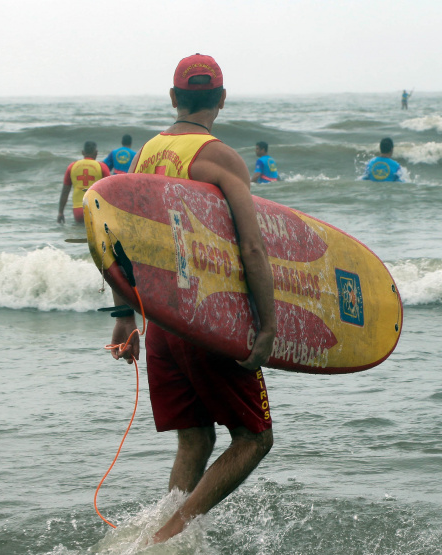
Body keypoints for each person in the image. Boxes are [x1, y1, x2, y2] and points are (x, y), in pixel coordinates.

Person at [110, 53, 276, 544]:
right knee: (254, 439)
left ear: (173, 97)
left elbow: (118, 240)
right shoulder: (221, 158)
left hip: (163, 321)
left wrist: (125, 317)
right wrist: (267, 327)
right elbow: (252, 245)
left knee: (196, 436)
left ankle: (154, 535)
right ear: (221, 99)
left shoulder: (146, 156)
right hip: (209, 322)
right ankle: (169, 538)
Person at [57, 141, 110, 224]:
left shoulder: (72, 167)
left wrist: (60, 212)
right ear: (96, 153)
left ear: (83, 152)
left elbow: (65, 192)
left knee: (79, 234)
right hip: (95, 209)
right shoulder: (102, 167)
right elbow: (109, 190)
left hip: (78, 210)